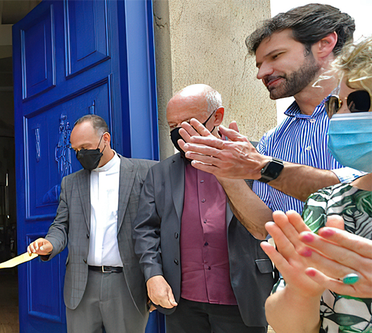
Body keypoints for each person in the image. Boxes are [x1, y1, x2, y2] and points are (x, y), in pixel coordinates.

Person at [176, 4, 364, 232]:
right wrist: (224, 171)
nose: (261, 73)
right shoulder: (272, 141)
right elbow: (263, 227)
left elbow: (357, 191)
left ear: (325, 44)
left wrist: (261, 167)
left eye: (276, 56)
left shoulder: (363, 120)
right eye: (259, 64)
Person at [132, 84, 275, 333]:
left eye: (188, 122)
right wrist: (153, 274)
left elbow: (279, 215)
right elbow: (145, 230)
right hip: (182, 302)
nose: (180, 132)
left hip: (243, 297)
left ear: (217, 117)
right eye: (173, 126)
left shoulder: (254, 157)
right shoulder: (159, 173)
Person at [262, 36, 372, 333]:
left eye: (358, 103)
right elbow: (288, 324)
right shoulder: (326, 203)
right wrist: (301, 292)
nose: (341, 117)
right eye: (336, 105)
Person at [27, 114, 155, 333]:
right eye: (75, 150)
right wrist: (50, 243)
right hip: (81, 284)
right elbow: (61, 225)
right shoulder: (71, 183)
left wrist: (156, 278)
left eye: (85, 147)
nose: (80, 155)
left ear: (105, 138)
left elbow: (159, 228)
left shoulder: (146, 172)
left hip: (127, 284)